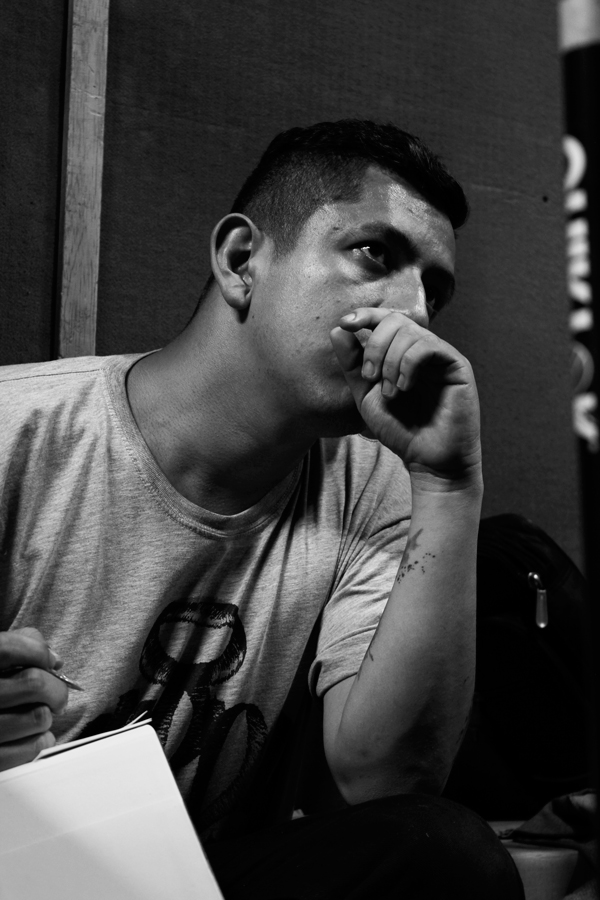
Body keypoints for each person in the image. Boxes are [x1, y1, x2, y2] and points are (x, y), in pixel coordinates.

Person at [0, 120, 523, 898]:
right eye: (376, 254)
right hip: (21, 871)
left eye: (434, 292)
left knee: (445, 850)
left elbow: (388, 790)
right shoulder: (17, 430)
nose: (413, 312)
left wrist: (449, 484)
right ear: (243, 260)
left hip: (200, 879)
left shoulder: (371, 483)